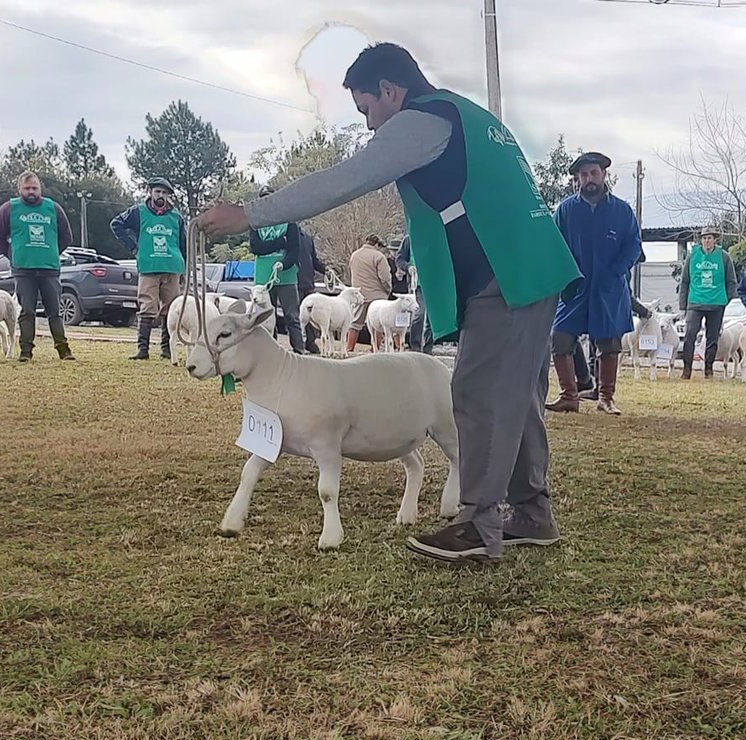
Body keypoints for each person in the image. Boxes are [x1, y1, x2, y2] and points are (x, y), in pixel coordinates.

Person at [195, 42, 580, 562]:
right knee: (517, 393)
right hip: (531, 265)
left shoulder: (422, 121)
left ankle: (478, 525)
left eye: (368, 109)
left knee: (478, 390)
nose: (372, 126)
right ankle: (532, 515)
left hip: (505, 271)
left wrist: (249, 214)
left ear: (391, 91)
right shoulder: (465, 114)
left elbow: (346, 179)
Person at [548, 151, 642, 415]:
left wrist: (615, 272)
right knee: (560, 337)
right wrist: (563, 275)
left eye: (594, 173)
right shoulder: (566, 210)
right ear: (577, 179)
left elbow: (634, 246)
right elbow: (554, 245)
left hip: (609, 286)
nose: (589, 179)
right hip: (575, 286)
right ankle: (569, 396)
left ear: (603, 175)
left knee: (609, 342)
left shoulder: (622, 210)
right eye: (583, 175)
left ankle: (606, 397)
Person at [0, 172, 75, 361]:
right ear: (19, 189)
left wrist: (52, 252)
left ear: (40, 189)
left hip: (49, 269)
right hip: (24, 270)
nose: (31, 191)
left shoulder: (53, 208)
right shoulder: (9, 209)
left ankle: (64, 349)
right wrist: (13, 254)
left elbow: (66, 236)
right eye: (27, 188)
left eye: (34, 188)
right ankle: (26, 351)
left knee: (55, 311)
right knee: (26, 311)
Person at [110, 177, 185, 360]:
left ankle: (167, 350)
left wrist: (185, 267)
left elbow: (183, 243)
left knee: (171, 308)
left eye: (165, 193)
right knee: (147, 307)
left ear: (168, 196)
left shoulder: (176, 217)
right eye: (157, 191)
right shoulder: (138, 212)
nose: (161, 196)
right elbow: (116, 224)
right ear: (150, 192)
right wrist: (133, 247)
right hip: (149, 266)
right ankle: (142, 349)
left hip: (172, 267)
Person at [248, 191, 307, 354]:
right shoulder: (256, 224)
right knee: (265, 315)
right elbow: (256, 248)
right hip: (263, 276)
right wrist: (281, 242)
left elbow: (295, 249)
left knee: (291, 315)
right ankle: (269, 351)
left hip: (286, 274)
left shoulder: (289, 223)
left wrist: (284, 263)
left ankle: (299, 349)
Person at [676, 226, 735, 379]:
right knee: (690, 334)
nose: (707, 241)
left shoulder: (724, 257)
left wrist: (725, 300)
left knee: (713, 337)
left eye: (709, 238)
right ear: (700, 240)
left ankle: (708, 369)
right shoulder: (692, 256)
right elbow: (685, 282)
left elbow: (731, 281)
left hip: (716, 303)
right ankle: (687, 369)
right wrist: (683, 305)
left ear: (715, 239)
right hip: (695, 301)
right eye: (704, 238)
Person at [348, 232, 395, 352]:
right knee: (377, 323)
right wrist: (388, 289)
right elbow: (385, 278)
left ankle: (349, 347)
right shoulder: (379, 257)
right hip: (378, 295)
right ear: (377, 244)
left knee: (355, 322)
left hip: (359, 294)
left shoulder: (354, 255)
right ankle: (375, 348)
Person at [295, 227, 328, 353]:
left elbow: (314, 260)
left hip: (308, 282)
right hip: (295, 281)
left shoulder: (307, 238)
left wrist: (326, 270)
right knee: (297, 315)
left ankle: (310, 342)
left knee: (311, 315)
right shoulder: (286, 236)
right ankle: (299, 343)